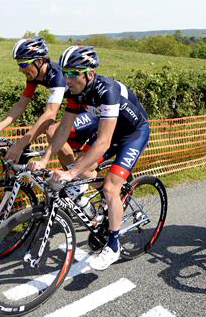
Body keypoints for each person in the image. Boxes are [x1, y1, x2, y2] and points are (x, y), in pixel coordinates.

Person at [28, 45, 150, 270]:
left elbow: (103, 142)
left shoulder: (107, 91)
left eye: (73, 73)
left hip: (133, 134)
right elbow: (63, 128)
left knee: (111, 187)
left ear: (90, 74)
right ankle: (106, 200)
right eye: (65, 73)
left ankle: (113, 246)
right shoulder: (76, 92)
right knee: (84, 167)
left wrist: (70, 173)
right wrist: (46, 158)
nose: (68, 79)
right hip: (111, 131)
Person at [0, 37, 93, 176]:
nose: (20, 70)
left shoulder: (56, 75)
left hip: (92, 111)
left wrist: (21, 143)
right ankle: (72, 180)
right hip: (77, 109)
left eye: (23, 65)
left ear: (39, 61)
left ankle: (75, 179)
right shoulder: (33, 77)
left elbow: (50, 114)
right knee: (54, 138)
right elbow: (20, 106)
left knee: (52, 131)